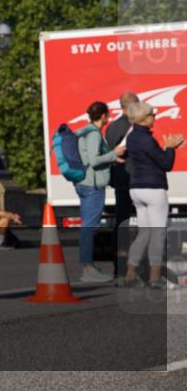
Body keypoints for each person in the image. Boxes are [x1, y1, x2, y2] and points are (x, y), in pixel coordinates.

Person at [122, 101, 183, 288]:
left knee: (144, 233)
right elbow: (166, 164)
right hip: (153, 189)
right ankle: (155, 278)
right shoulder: (147, 139)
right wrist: (171, 147)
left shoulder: (132, 137)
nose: (154, 117)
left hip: (136, 188)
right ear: (144, 118)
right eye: (152, 114)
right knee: (157, 234)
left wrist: (167, 148)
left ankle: (130, 274)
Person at [76, 101, 125, 283]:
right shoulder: (94, 134)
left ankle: (89, 267)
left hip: (85, 183)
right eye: (108, 114)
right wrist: (113, 153)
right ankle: (88, 269)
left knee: (88, 226)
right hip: (93, 186)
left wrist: (112, 158)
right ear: (104, 115)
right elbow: (94, 160)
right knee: (90, 227)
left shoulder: (85, 131)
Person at [105, 91, 138, 277]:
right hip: (133, 178)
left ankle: (119, 266)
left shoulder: (112, 127)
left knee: (121, 221)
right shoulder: (133, 127)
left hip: (119, 178)